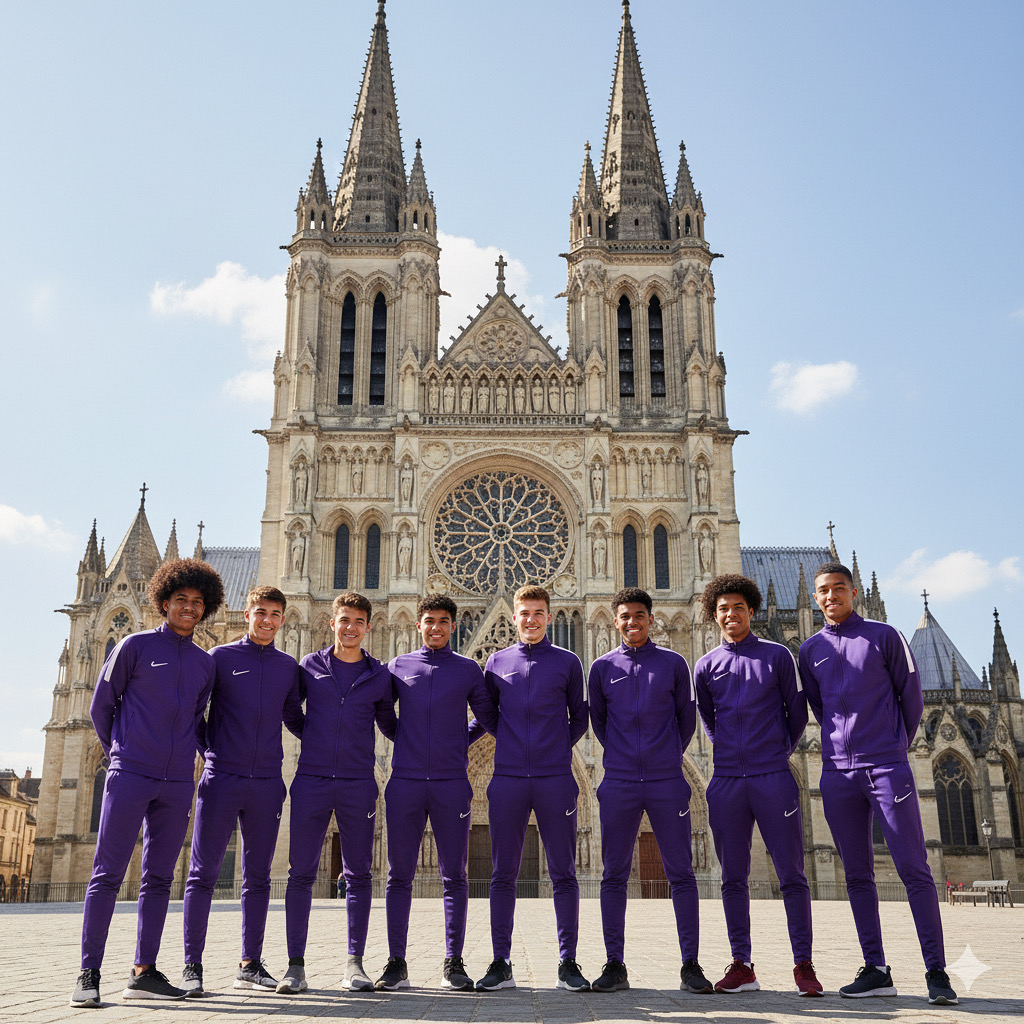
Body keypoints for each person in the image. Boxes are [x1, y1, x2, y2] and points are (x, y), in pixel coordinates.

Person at [798, 562, 957, 1005]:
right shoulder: (810, 650)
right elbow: (820, 705)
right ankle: (876, 968)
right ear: (815, 598)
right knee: (858, 874)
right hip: (837, 773)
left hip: (886, 765)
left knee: (914, 868)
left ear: (853, 592)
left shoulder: (886, 636)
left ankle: (937, 971)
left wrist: (891, 745)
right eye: (823, 591)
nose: (831, 597)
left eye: (838, 589)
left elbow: (912, 697)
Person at [70, 558, 224, 1008]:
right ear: (163, 601)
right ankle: (88, 971)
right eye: (181, 600)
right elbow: (102, 707)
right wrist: (121, 750)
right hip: (131, 772)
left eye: (197, 602)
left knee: (158, 878)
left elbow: (197, 719)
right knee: (107, 874)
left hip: (176, 781)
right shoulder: (134, 646)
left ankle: (144, 970)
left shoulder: (204, 663)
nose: (189, 609)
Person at [693, 574, 821, 996]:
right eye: (723, 609)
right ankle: (741, 963)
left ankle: (803, 964)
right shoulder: (706, 665)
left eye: (738, 608)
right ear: (714, 615)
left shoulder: (778, 655)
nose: (731, 614)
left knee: (792, 874)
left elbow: (797, 712)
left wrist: (775, 750)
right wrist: (729, 751)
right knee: (732, 876)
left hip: (772, 776)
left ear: (752, 611)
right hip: (727, 779)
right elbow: (709, 721)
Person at [179, 586, 304, 996]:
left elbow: (294, 719)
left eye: (275, 614)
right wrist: (211, 752)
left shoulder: (289, 667)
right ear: (247, 614)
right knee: (202, 875)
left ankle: (250, 963)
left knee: (258, 877)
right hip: (224, 778)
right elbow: (195, 713)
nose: (267, 620)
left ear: (282, 620)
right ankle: (192, 966)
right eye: (261, 612)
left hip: (268, 781)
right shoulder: (220, 658)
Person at [588, 587, 712, 995]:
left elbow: (686, 719)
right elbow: (600, 724)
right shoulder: (602, 667)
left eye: (639, 615)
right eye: (624, 616)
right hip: (620, 780)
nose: (631, 622)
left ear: (651, 618)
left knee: (681, 872)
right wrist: (626, 757)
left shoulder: (674, 664)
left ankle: (690, 964)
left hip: (666, 780)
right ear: (616, 619)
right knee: (613, 874)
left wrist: (662, 756)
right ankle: (614, 963)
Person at [375, 595, 498, 992]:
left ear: (452, 625)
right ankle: (396, 962)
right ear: (419, 625)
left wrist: (458, 740)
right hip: (406, 781)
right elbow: (382, 713)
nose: (437, 627)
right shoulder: (399, 667)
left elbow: (488, 717)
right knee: (398, 875)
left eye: (444, 621)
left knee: (455, 875)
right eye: (430, 621)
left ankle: (454, 961)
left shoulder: (466, 669)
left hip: (450, 782)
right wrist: (407, 739)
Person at [276, 592, 396, 995]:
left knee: (360, 874)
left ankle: (355, 963)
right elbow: (292, 713)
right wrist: (315, 743)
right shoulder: (309, 666)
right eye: (344, 620)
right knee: (300, 873)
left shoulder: (379, 674)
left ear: (368, 626)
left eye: (358, 621)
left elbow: (390, 724)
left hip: (358, 782)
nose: (350, 627)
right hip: (311, 779)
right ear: (332, 622)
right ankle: (295, 965)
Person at [473, 585, 590, 992]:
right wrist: (508, 744)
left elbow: (580, 717)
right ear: (516, 617)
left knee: (564, 873)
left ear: (549, 617)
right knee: (502, 873)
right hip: (506, 779)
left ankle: (568, 962)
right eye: (525, 613)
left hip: (555, 777)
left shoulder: (568, 662)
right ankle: (501, 961)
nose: (531, 619)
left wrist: (554, 747)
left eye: (539, 613)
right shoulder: (497, 661)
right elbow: (487, 714)